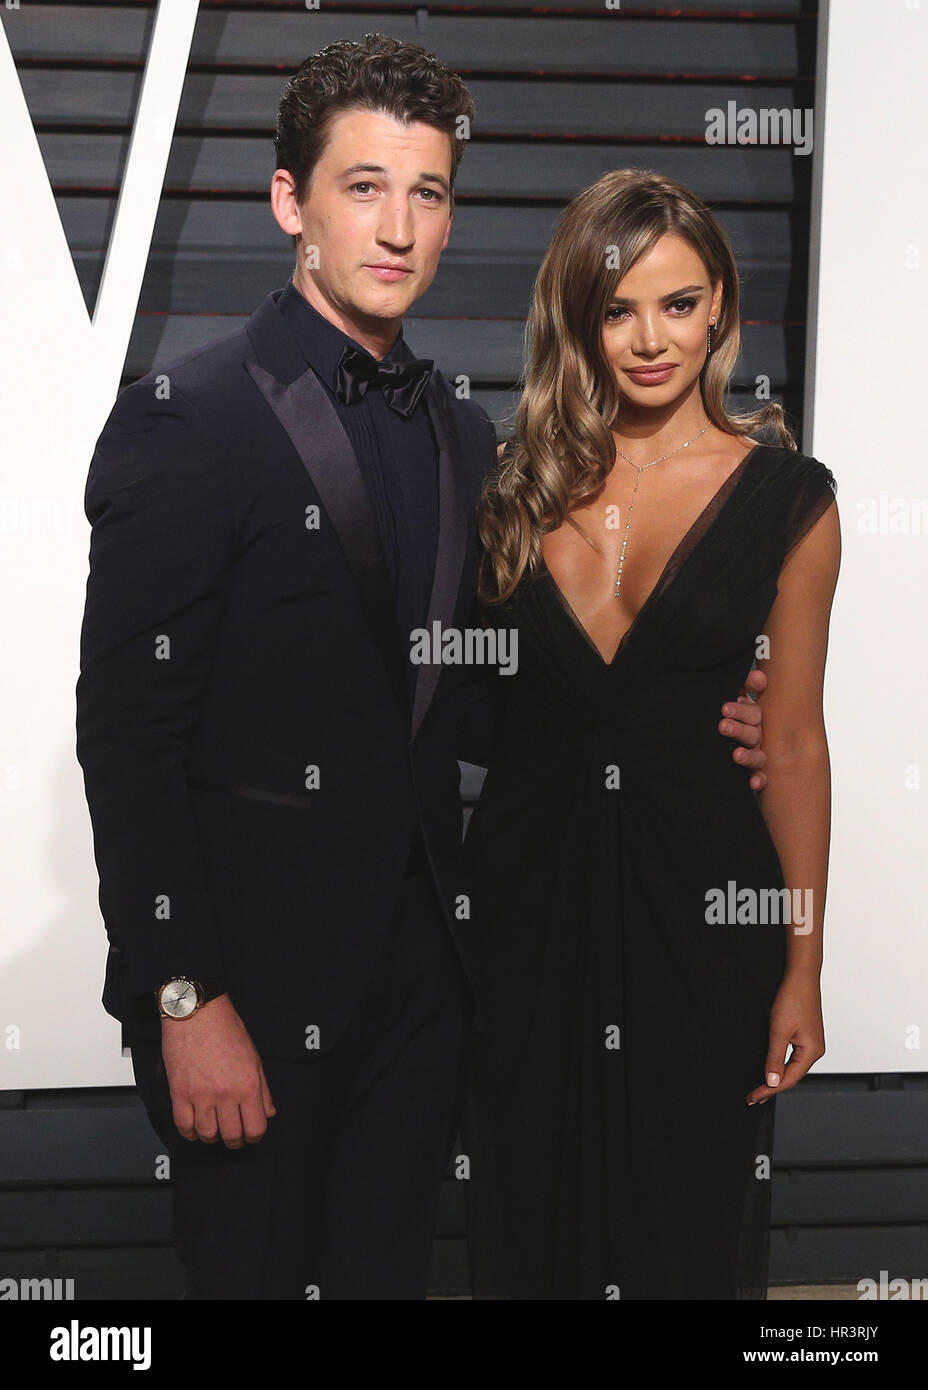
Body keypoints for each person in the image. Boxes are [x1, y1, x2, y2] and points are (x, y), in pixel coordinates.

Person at [75, 38, 769, 1300]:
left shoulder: (457, 428)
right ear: (292, 202)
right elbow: (126, 734)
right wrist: (184, 996)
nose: (399, 227)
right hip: (247, 987)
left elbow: (485, 694)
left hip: (427, 986)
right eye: (363, 187)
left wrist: (701, 705)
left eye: (431, 192)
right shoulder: (192, 414)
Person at [463, 168, 839, 1300]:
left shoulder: (790, 498)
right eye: (617, 308)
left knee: (689, 1230)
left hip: (705, 911)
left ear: (721, 305)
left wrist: (804, 967)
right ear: (579, 319)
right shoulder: (511, 489)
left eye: (678, 304)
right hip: (526, 913)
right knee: (529, 1226)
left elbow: (796, 744)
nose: (648, 339)